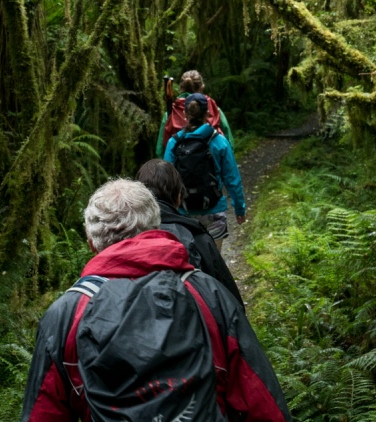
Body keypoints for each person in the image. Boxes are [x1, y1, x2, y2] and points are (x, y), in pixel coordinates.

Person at [19, 179, 289, 421]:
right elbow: (262, 401)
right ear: (155, 226)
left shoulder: (66, 314)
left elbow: (43, 412)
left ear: (92, 243)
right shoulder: (207, 293)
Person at [135, 158, 244, 305]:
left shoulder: (125, 237)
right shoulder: (198, 237)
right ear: (179, 196)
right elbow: (228, 296)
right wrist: (239, 207)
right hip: (215, 211)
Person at [164, 93, 245, 251]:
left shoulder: (174, 142)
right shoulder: (219, 141)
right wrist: (239, 208)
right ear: (208, 113)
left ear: (185, 114)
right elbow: (232, 178)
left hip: (184, 213)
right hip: (214, 211)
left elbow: (166, 181)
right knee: (214, 262)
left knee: (189, 263)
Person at [156, 70, 235, 158]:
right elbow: (228, 142)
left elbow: (160, 149)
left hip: (179, 168)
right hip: (212, 167)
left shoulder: (170, 113)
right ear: (202, 87)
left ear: (180, 88)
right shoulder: (214, 109)